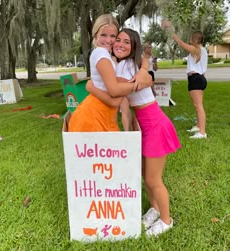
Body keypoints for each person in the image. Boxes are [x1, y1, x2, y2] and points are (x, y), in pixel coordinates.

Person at [87, 28, 181, 236]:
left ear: (133, 47)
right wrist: (144, 72)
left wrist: (91, 87)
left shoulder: (130, 65)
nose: (120, 44)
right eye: (117, 40)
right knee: (144, 176)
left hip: (156, 125)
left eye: (126, 42)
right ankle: (155, 209)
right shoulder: (117, 65)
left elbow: (115, 92)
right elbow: (123, 98)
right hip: (144, 129)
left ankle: (166, 220)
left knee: (154, 180)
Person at [68, 14, 152, 132]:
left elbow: (142, 59)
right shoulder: (101, 54)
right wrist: (141, 83)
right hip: (93, 117)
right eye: (103, 35)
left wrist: (143, 70)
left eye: (113, 36)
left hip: (102, 114)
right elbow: (115, 97)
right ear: (95, 35)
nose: (108, 40)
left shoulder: (108, 55)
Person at [161, 20, 208, 139]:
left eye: (192, 38)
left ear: (195, 40)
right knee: (198, 105)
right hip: (200, 78)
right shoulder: (203, 50)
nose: (190, 40)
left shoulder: (196, 50)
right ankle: (198, 126)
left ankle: (202, 132)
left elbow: (179, 42)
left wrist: (169, 28)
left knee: (198, 106)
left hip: (196, 79)